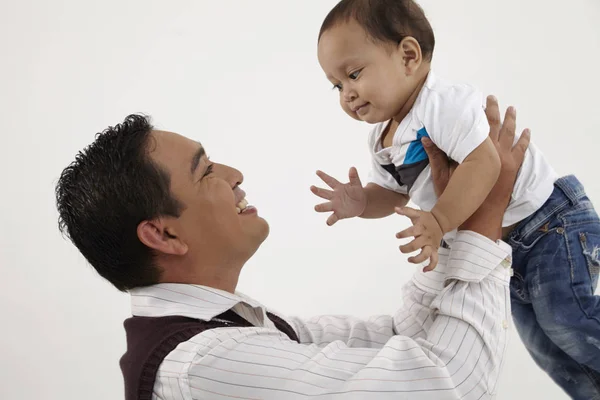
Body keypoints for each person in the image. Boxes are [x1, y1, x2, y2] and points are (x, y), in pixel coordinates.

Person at [56, 97, 520, 399]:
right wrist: (484, 217)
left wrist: (448, 217)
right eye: (206, 171)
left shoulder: (234, 327)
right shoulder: (207, 366)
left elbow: (401, 335)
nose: (234, 173)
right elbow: (451, 383)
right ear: (164, 236)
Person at [312, 1, 600, 398]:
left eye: (354, 74)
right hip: (506, 251)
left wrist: (440, 220)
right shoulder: (383, 138)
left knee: (570, 320)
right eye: (337, 85)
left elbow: (485, 163)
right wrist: (361, 201)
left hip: (549, 223)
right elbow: (393, 192)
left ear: (409, 56)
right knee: (549, 348)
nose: (347, 94)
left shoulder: (441, 102)